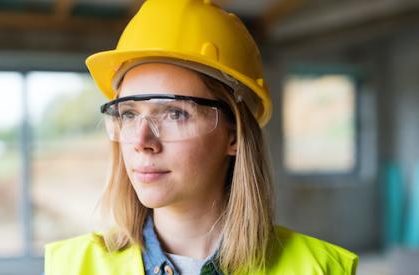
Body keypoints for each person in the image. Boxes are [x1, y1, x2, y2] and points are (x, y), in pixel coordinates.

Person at [45, 0, 359, 274]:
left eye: (174, 113)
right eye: (128, 114)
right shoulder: (72, 267)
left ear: (233, 135)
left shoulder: (320, 269)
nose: (141, 141)